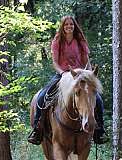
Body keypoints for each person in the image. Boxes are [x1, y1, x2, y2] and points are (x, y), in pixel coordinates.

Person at [28, 15, 108, 145]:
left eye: (71, 24)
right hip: (63, 75)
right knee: (43, 95)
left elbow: (86, 61)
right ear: (62, 27)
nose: (69, 26)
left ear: (74, 26)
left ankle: (100, 130)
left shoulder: (80, 40)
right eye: (66, 25)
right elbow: (55, 62)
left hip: (81, 76)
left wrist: (88, 72)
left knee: (97, 98)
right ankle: (38, 128)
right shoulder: (57, 41)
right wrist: (63, 73)